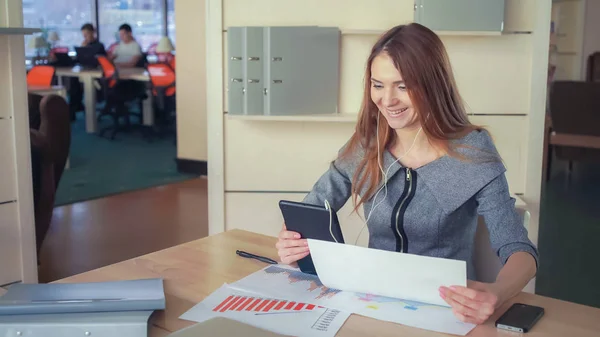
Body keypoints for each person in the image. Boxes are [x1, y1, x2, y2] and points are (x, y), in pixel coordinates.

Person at [275, 23, 539, 325]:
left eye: (402, 86)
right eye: (378, 85)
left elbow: (520, 250)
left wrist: (498, 292)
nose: (387, 100)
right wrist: (291, 242)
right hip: (372, 302)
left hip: (446, 310)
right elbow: (307, 211)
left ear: (432, 85)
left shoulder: (473, 151)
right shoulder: (368, 142)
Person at [68, 23, 106, 120]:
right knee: (73, 80)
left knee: (77, 83)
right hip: (85, 71)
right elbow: (81, 60)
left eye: (87, 34)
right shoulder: (84, 45)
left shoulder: (99, 46)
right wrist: (82, 49)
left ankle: (76, 107)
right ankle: (74, 107)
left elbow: (102, 61)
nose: (85, 37)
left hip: (97, 74)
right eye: (84, 35)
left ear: (93, 33)